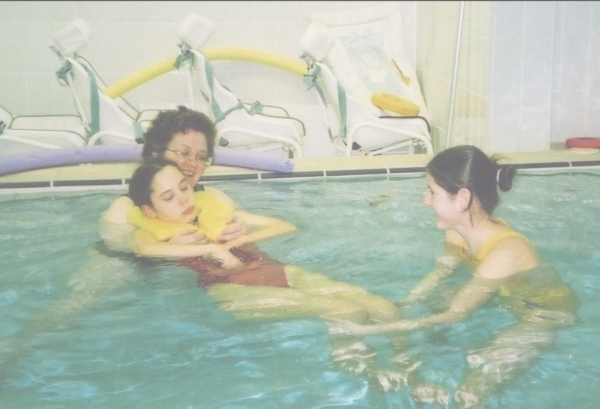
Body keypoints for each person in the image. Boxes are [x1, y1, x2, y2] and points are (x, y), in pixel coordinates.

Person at [328, 145, 580, 408]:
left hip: (543, 317)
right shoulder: (457, 233)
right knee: (437, 300)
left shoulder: (504, 253)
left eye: (432, 192)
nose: (425, 200)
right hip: (509, 296)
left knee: (471, 390)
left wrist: (370, 330)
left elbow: (456, 314)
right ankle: (434, 363)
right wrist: (407, 302)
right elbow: (440, 272)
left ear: (462, 199)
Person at [100, 105, 248, 254]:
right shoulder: (124, 209)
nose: (193, 163)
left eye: (201, 157)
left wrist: (242, 228)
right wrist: (169, 249)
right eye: (184, 153)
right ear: (156, 154)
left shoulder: (213, 196)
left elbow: (249, 224)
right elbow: (114, 258)